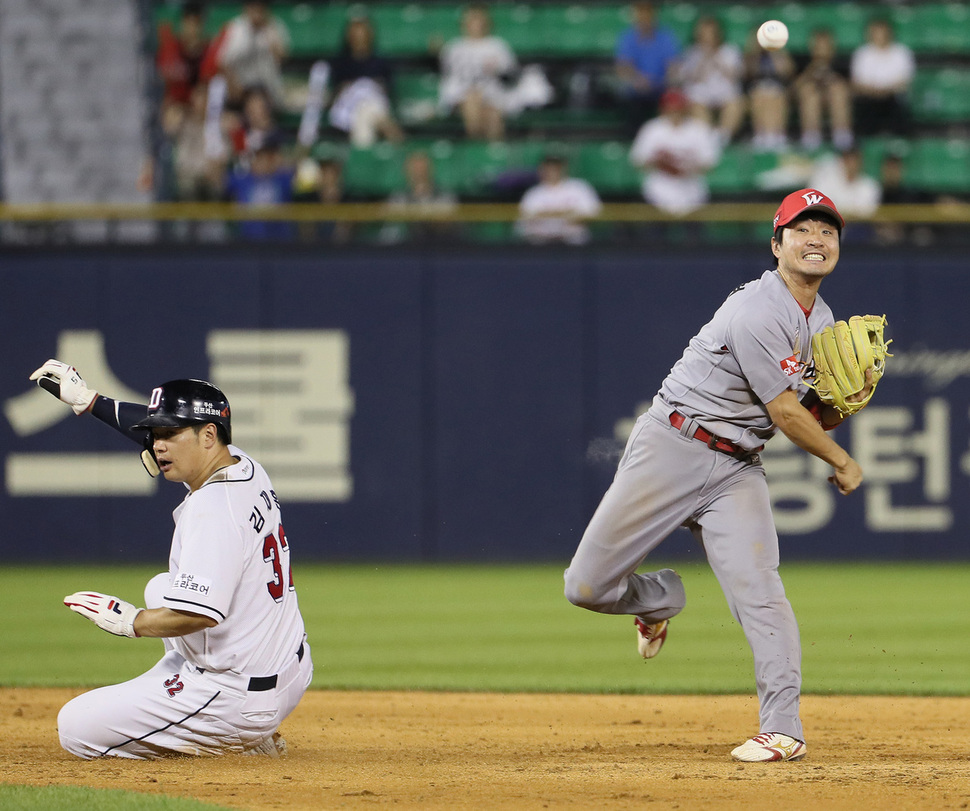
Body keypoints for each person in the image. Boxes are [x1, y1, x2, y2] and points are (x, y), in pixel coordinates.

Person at [564, 188, 872, 762]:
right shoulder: (757, 309)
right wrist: (842, 458)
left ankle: (783, 727)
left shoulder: (822, 320)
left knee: (761, 593)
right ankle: (658, 599)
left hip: (736, 467)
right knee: (585, 587)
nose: (816, 240)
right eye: (802, 230)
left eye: (827, 231)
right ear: (776, 244)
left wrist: (844, 405)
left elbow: (801, 413)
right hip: (672, 446)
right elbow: (784, 412)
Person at [27, 362, 312, 759]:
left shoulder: (213, 510)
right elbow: (157, 434)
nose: (157, 445)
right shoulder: (243, 465)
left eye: (170, 434)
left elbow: (200, 616)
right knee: (163, 586)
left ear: (208, 435)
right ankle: (215, 708)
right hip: (291, 667)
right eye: (155, 434)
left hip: (238, 698)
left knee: (75, 728)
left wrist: (132, 622)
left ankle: (235, 740)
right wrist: (90, 401)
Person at [629, 89, 721, 216]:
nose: (674, 112)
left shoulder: (699, 129)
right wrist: (661, 163)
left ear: (685, 109)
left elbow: (710, 163)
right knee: (653, 235)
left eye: (678, 108)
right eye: (670, 108)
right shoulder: (652, 129)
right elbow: (638, 161)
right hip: (657, 193)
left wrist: (687, 168)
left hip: (692, 193)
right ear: (663, 109)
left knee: (695, 235)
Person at [438, 4, 518, 141]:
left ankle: (492, 154)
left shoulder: (497, 45)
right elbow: (444, 73)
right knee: (472, 99)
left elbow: (511, 75)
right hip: (460, 94)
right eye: (471, 20)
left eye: (478, 20)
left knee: (493, 117)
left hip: (491, 93)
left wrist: (496, 70)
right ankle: (476, 144)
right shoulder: (454, 47)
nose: (475, 24)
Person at [327, 15, 405, 148]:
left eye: (362, 33)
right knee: (365, 109)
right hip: (348, 109)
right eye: (355, 34)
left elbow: (388, 90)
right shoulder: (340, 63)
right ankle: (393, 134)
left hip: (374, 105)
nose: (359, 38)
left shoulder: (381, 63)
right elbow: (334, 92)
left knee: (366, 113)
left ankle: (363, 157)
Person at [674, 15, 745, 146]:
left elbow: (735, 75)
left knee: (736, 103)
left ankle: (723, 137)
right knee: (695, 105)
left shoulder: (730, 50)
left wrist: (716, 57)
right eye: (704, 33)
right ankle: (707, 138)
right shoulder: (692, 52)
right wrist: (704, 59)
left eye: (710, 33)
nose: (707, 37)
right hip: (700, 94)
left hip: (726, 94)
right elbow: (687, 77)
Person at [614, 1, 681, 133]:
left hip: (661, 87)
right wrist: (638, 79)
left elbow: (673, 66)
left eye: (648, 14)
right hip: (636, 89)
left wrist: (662, 81)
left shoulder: (666, 37)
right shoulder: (628, 38)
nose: (644, 18)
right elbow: (623, 68)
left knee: (672, 99)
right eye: (641, 14)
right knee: (632, 103)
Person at [216, 0, 290, 108]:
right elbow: (222, 62)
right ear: (246, 9)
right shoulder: (235, 28)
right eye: (253, 7)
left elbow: (282, 57)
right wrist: (234, 86)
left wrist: (268, 33)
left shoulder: (274, 26)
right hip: (241, 89)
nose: (256, 12)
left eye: (259, 8)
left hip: (267, 88)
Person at [516, 154, 603, 245]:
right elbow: (522, 223)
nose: (551, 171)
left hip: (574, 244)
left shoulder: (579, 187)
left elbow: (595, 214)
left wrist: (551, 216)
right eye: (548, 167)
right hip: (541, 245)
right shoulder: (533, 193)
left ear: (563, 169)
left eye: (555, 167)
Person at [850, 17, 915, 137]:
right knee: (863, 116)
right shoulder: (862, 54)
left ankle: (899, 145)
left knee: (901, 115)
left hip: (893, 98)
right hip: (869, 98)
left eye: (882, 32)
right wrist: (876, 92)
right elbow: (857, 83)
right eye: (875, 33)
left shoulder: (902, 53)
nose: (879, 36)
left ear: (889, 33)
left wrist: (885, 91)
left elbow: (905, 81)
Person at [225, 133, 296, 240]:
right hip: (247, 241)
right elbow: (218, 182)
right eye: (258, 157)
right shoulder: (241, 179)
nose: (262, 161)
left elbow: (300, 168)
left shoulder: (283, 179)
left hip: (279, 242)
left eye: (267, 157)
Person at [380, 150, 459, 245]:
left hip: (439, 246)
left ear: (430, 169)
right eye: (415, 167)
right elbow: (392, 221)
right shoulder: (399, 196)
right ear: (407, 170)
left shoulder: (444, 194)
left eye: (422, 167)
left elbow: (446, 221)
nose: (419, 171)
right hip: (404, 248)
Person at [793, 28, 853, 151]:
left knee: (838, 91)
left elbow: (852, 89)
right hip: (811, 99)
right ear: (812, 47)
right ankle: (811, 139)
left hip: (835, 99)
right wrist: (810, 72)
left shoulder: (842, 63)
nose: (822, 50)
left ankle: (842, 138)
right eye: (818, 46)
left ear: (832, 47)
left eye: (825, 46)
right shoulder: (803, 62)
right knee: (809, 93)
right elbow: (793, 90)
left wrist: (832, 78)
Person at [742, 26, 796, 152]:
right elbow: (748, 73)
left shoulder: (779, 51)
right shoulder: (751, 55)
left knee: (776, 95)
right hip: (756, 90)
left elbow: (788, 71)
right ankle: (761, 135)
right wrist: (754, 52)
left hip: (778, 89)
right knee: (760, 94)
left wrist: (774, 50)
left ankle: (777, 136)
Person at [809, 147, 881, 220]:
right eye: (848, 160)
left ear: (861, 162)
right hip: (830, 222)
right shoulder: (827, 180)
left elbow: (868, 213)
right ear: (842, 161)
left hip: (859, 226)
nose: (851, 164)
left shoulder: (869, 185)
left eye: (854, 160)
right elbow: (818, 204)